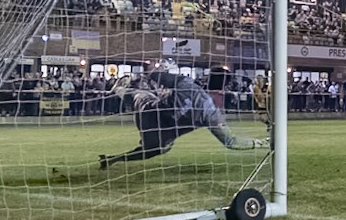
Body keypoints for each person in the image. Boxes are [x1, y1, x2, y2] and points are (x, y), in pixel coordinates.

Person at [99, 71, 266, 169]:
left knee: (140, 96)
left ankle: (119, 89)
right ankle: (116, 159)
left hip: (149, 114)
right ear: (225, 89)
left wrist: (148, 76)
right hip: (159, 131)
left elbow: (155, 75)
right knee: (158, 149)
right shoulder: (211, 114)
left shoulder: (187, 84)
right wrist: (263, 143)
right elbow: (232, 142)